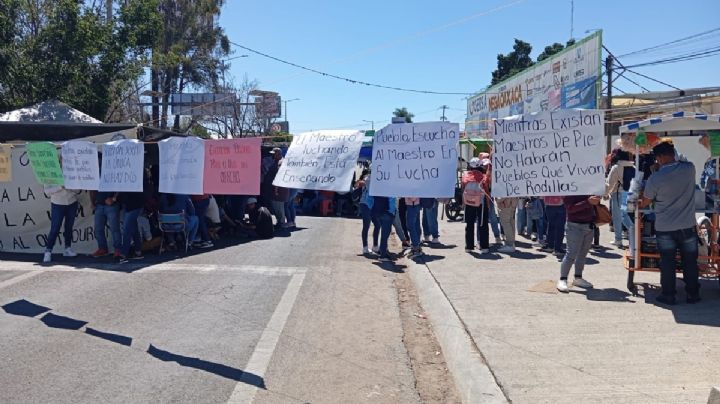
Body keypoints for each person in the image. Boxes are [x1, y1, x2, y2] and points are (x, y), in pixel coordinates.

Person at [639, 141, 701, 305]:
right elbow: (683, 162)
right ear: (673, 153)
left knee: (667, 261)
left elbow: (645, 202)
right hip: (687, 225)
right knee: (690, 261)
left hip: (665, 227)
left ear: (659, 158)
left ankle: (668, 295)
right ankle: (693, 294)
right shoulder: (690, 169)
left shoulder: (655, 178)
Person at [556, 195, 600, 292]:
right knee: (571, 254)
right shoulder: (571, 189)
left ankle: (578, 278)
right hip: (574, 226)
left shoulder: (590, 187)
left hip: (589, 225)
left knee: (582, 255)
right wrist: (588, 202)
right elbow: (570, 209)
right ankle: (563, 279)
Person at [605, 150, 636, 254]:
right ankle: (633, 234)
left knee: (618, 216)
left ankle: (619, 239)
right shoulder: (633, 167)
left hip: (618, 194)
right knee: (625, 215)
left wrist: (605, 193)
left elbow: (609, 183)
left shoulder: (616, 167)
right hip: (629, 194)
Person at [42, 185, 81, 263]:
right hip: (57, 203)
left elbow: (78, 190)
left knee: (69, 227)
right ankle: (48, 251)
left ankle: (67, 248)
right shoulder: (50, 173)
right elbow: (47, 192)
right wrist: (60, 187)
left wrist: (68, 186)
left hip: (72, 202)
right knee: (55, 228)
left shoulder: (72, 172)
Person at [462, 157, 490, 253]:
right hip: (481, 203)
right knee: (483, 224)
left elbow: (462, 187)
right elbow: (486, 188)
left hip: (469, 203)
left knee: (469, 224)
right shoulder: (483, 176)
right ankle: (484, 246)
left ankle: (469, 246)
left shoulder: (465, 176)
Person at [118, 188, 147, 263]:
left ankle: (123, 254)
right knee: (134, 229)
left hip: (134, 204)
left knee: (127, 229)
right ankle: (138, 251)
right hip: (129, 204)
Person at [90, 190, 121, 258]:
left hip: (112, 205)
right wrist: (92, 202)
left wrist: (113, 198)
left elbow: (121, 186)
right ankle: (102, 249)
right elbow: (91, 187)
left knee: (114, 229)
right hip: (99, 205)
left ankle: (118, 249)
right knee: (98, 229)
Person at [358, 171, 381, 254]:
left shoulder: (375, 178)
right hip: (365, 203)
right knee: (366, 225)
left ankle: (375, 246)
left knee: (377, 225)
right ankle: (365, 248)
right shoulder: (369, 178)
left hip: (373, 205)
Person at [371, 195, 397, 261]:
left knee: (384, 234)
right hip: (387, 212)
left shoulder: (380, 189)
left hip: (379, 212)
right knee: (385, 235)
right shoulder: (389, 190)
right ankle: (383, 255)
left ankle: (383, 251)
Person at [699, 133, 717, 208]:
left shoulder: (710, 162)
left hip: (712, 193)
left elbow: (703, 180)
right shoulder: (709, 161)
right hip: (711, 194)